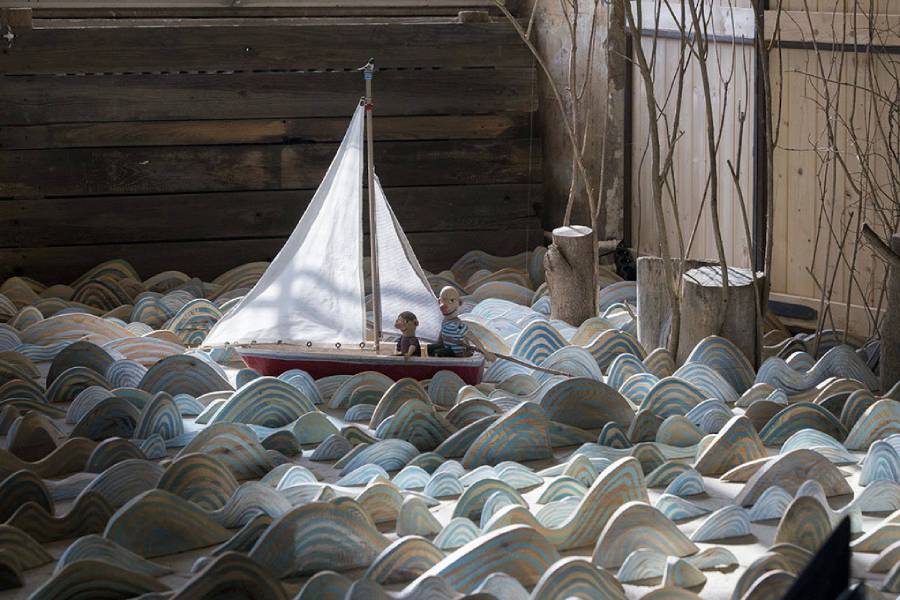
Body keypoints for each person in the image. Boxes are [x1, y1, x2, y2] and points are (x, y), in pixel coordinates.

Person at [428, 286, 471, 357]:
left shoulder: (458, 324)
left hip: (457, 351)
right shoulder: (445, 321)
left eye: (451, 301)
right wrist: (437, 344)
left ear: (459, 303)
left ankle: (436, 364)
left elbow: (469, 336)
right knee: (429, 349)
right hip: (447, 346)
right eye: (442, 301)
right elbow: (441, 336)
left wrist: (486, 353)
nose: (445, 305)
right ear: (439, 302)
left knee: (437, 353)